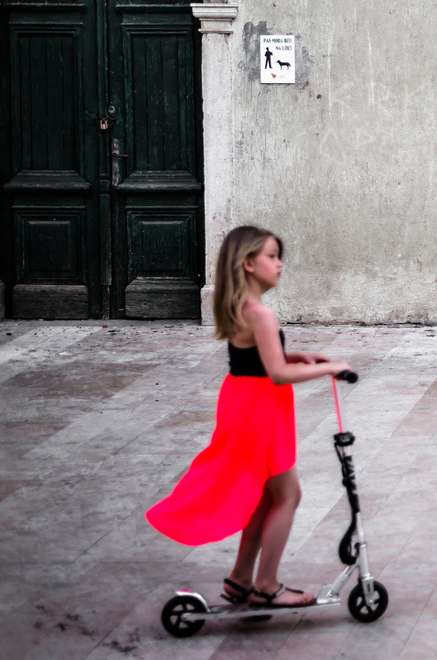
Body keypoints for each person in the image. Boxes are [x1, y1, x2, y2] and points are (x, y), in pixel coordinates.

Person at [146, 226, 352, 608]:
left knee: (263, 496)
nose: (280, 264)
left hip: (243, 402)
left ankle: (241, 580)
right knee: (288, 495)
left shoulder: (240, 308)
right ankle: (267, 585)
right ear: (248, 263)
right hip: (261, 409)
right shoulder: (261, 313)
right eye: (272, 256)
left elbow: (256, 360)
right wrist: (330, 368)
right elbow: (276, 374)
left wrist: (300, 356)